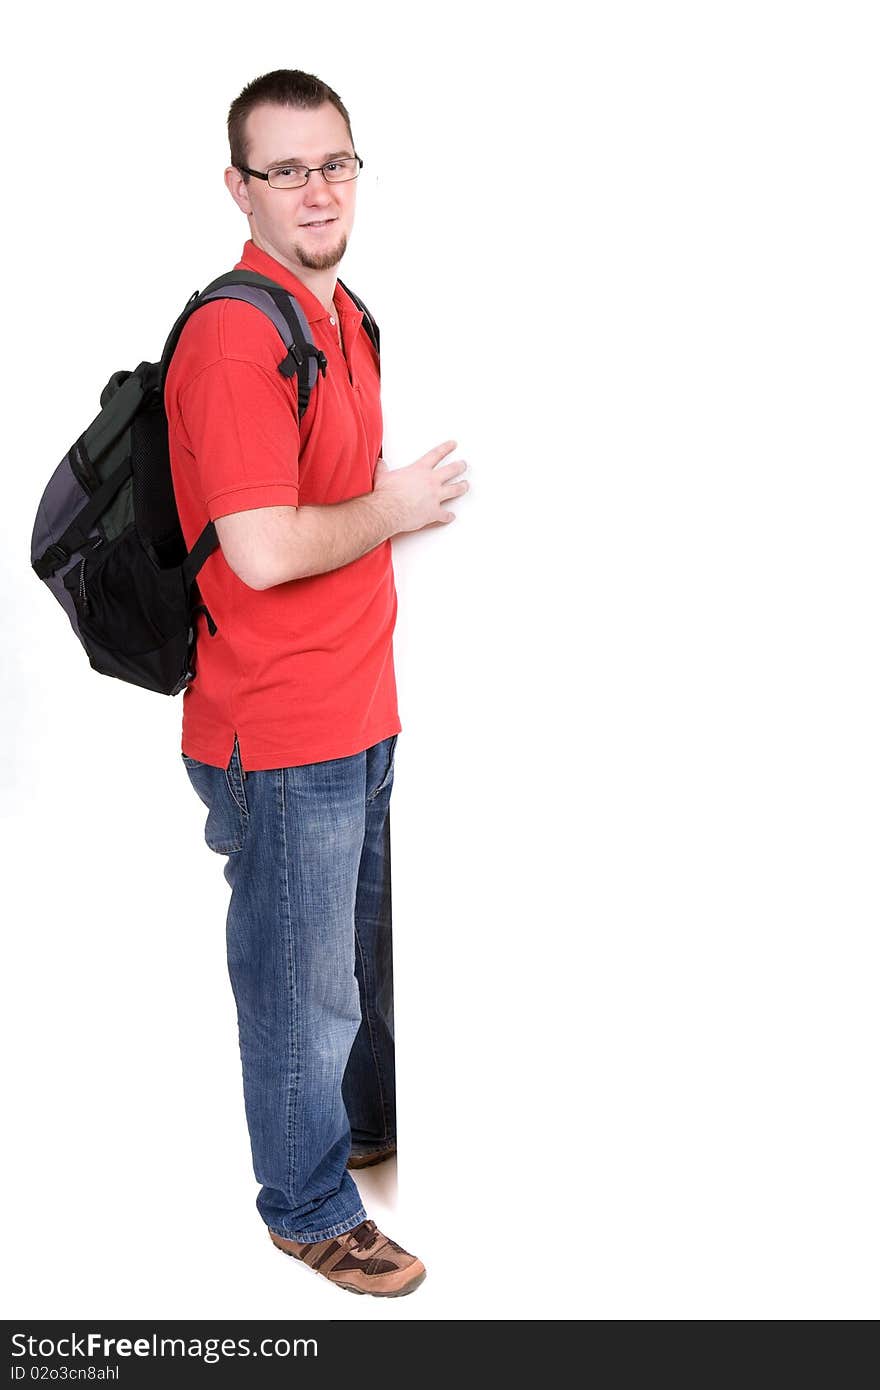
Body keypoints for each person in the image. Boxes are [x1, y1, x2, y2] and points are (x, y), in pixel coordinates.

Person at [164, 69, 469, 1298]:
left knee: (354, 968)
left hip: (357, 710)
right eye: (284, 169)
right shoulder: (242, 337)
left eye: (333, 162)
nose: (316, 189)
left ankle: (352, 1135)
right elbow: (262, 547)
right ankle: (306, 1207)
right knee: (302, 992)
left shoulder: (343, 315)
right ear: (239, 187)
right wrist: (393, 507)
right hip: (280, 730)